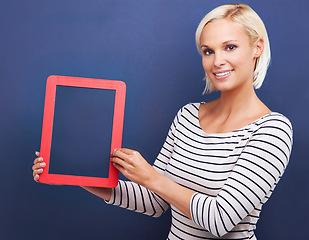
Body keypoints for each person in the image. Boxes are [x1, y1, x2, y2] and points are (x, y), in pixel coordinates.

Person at [32, 4, 293, 239]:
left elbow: (220, 219)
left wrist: (151, 177)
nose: (217, 61)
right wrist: (68, 170)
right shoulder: (188, 116)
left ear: (257, 47)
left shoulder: (272, 130)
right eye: (208, 51)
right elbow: (154, 202)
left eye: (230, 47)